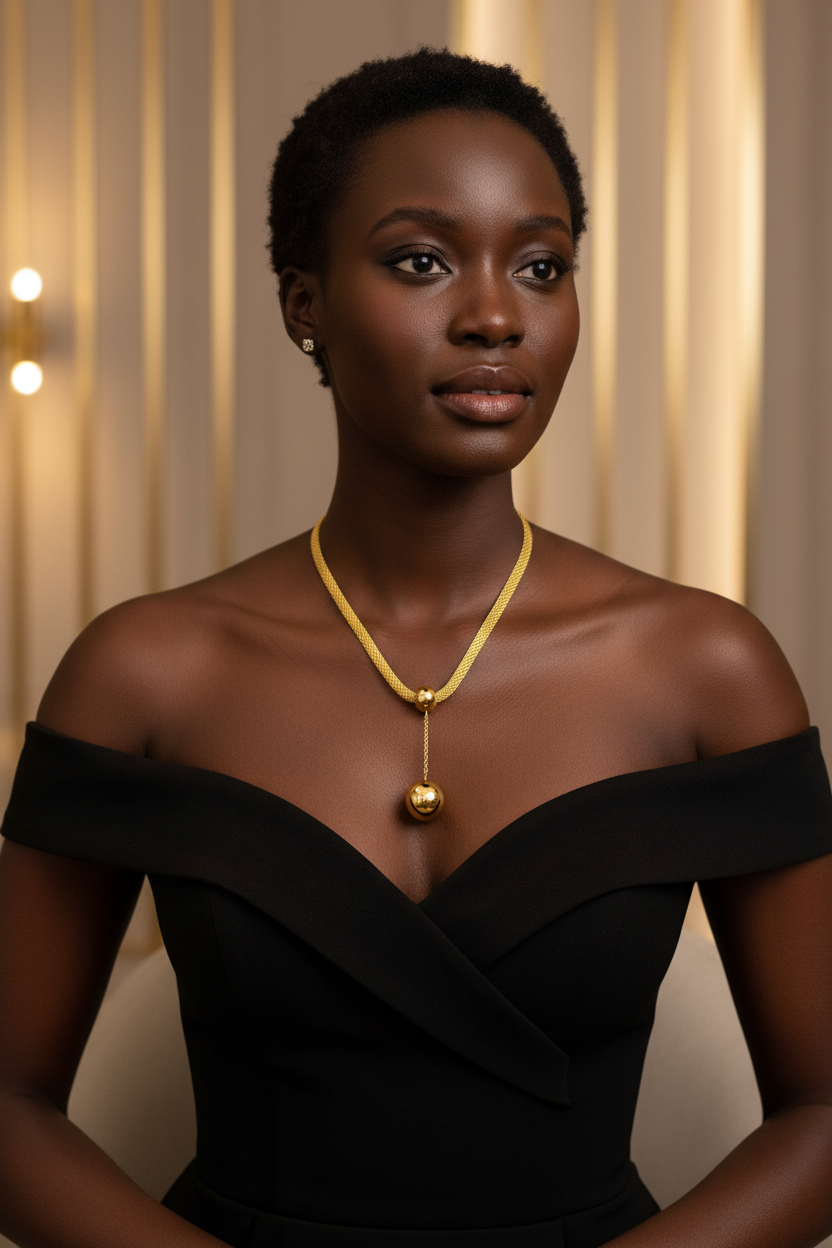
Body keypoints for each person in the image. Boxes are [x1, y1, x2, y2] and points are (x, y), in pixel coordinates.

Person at [1, 46, 831, 1248]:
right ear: (304, 304)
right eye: (421, 261)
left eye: (541, 266)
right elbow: (12, 1105)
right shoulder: (146, 672)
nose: (495, 315)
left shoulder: (707, 668)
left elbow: (820, 1111)